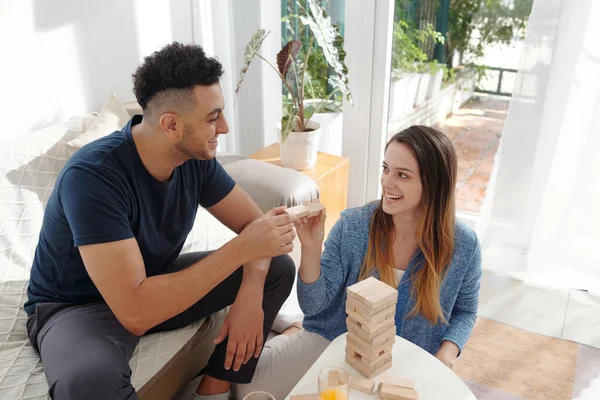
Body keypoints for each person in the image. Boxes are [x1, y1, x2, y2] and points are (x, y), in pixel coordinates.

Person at [24, 42, 297, 400]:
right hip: (78, 306)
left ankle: (212, 391)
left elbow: (260, 229)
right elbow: (135, 312)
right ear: (170, 124)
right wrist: (241, 252)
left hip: (150, 281)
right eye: (213, 117)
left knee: (276, 267)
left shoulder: (196, 159)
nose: (225, 128)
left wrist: (250, 291)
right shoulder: (92, 177)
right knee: (89, 380)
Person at [234, 125, 482, 399]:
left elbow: (466, 311)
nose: (387, 183)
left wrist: (446, 355)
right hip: (335, 341)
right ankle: (293, 329)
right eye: (386, 168)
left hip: (410, 357)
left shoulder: (463, 244)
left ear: (434, 184)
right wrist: (311, 247)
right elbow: (315, 307)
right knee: (245, 389)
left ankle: (290, 327)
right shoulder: (354, 226)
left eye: (402, 175)